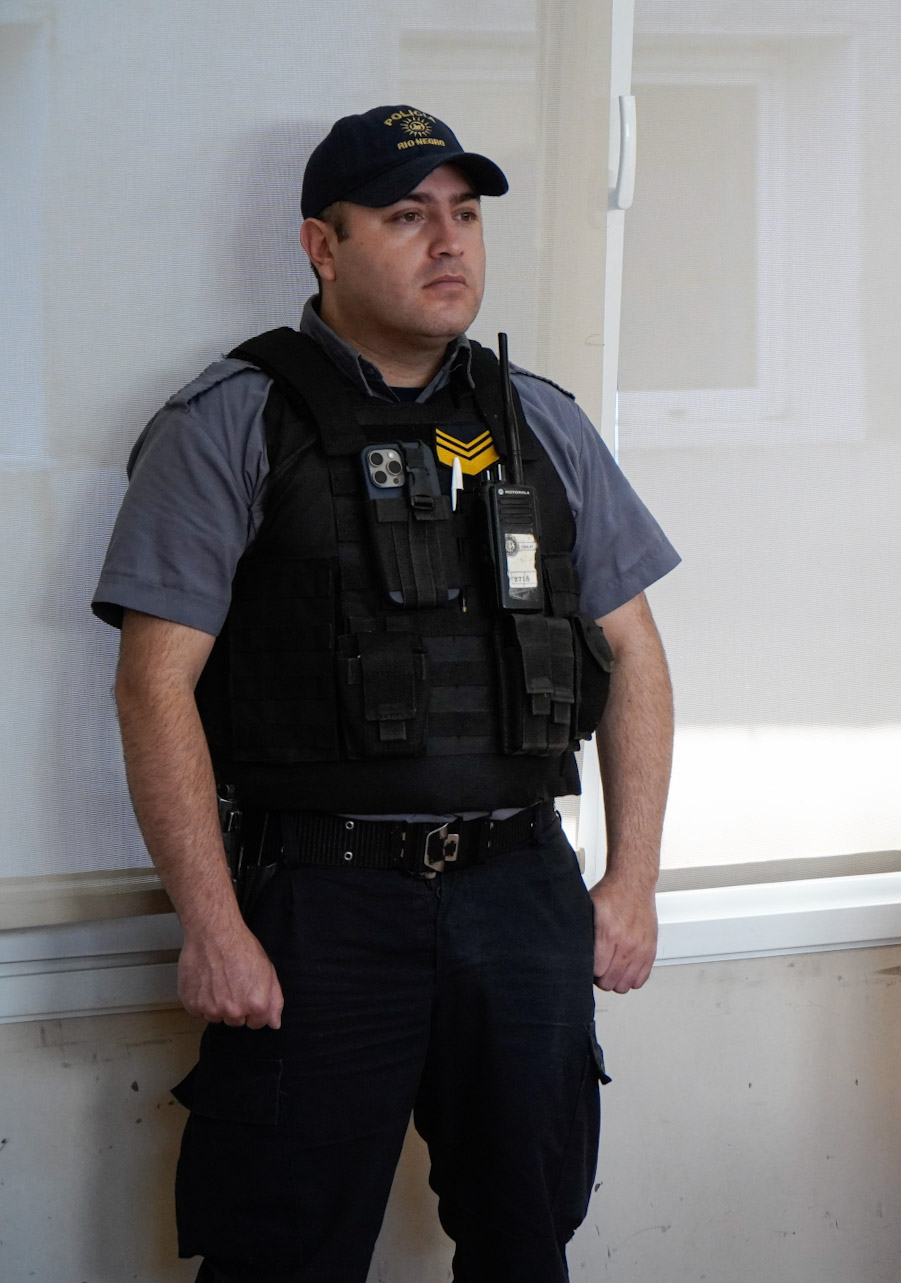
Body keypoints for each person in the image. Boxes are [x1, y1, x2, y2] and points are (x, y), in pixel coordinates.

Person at [93, 106, 679, 1280]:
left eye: (465, 213)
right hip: (324, 900)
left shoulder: (542, 423)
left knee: (528, 1238)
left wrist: (632, 878)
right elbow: (153, 686)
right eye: (408, 216)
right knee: (283, 1250)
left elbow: (638, 659)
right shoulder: (232, 421)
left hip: (519, 886)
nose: (449, 241)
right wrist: (212, 925)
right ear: (324, 245)